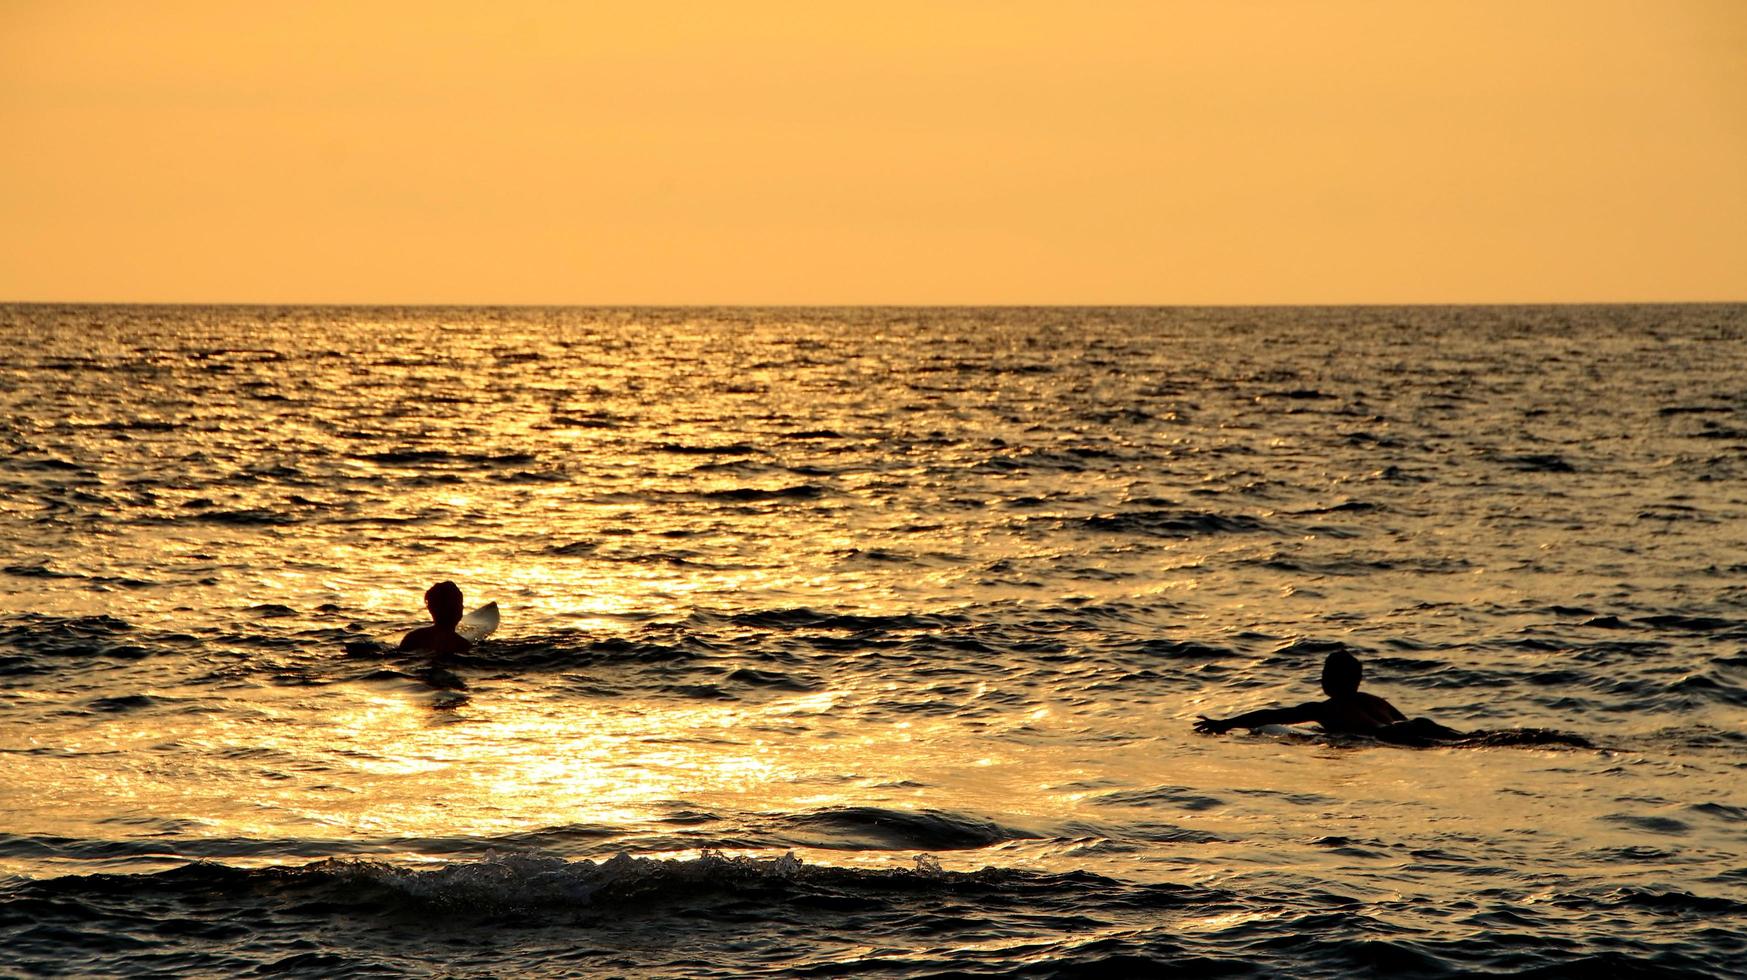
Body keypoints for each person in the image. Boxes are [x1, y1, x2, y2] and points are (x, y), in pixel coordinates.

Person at [1193, 650, 1463, 743]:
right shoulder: (1376, 701)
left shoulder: (1324, 709)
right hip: (1417, 725)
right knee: (1463, 738)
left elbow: (1272, 715)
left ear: (1328, 679)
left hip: (1390, 737)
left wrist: (1224, 723)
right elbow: (1407, 724)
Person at [399, 581, 473, 655]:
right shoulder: (463, 645)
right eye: (458, 603)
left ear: (431, 609)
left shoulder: (413, 638)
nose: (462, 607)